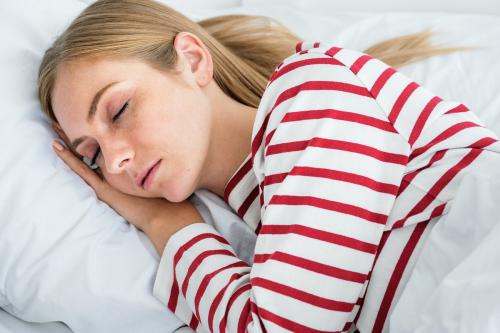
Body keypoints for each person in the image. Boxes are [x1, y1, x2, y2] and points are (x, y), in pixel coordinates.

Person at [38, 0, 500, 332]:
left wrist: (166, 223)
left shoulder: (309, 91)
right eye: (92, 155)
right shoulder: (260, 223)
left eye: (119, 111)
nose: (115, 161)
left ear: (193, 60)